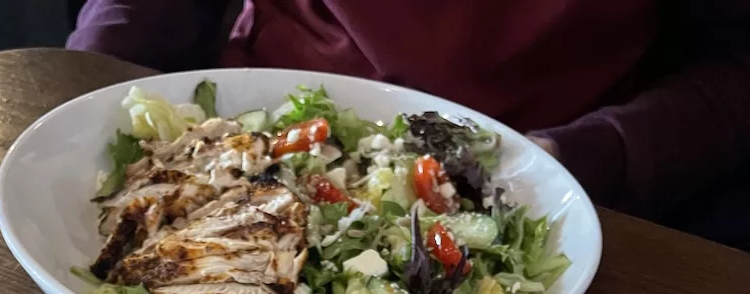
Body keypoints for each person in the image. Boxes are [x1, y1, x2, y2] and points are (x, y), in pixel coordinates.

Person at [67, 0, 750, 247]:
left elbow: (732, 67)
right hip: (247, 141)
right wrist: (79, 86)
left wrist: (583, 157)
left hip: (541, 196)